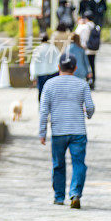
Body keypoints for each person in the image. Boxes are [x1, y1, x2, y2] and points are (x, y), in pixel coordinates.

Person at [39, 53, 94, 209]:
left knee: (58, 164)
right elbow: (90, 107)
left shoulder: (49, 84)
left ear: (58, 67)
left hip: (58, 131)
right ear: (75, 68)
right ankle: (75, 194)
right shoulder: (82, 84)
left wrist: (42, 133)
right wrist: (88, 115)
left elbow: (43, 111)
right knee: (78, 164)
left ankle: (58, 197)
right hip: (78, 131)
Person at [29, 34, 60, 100]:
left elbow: (33, 63)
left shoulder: (37, 49)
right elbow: (58, 60)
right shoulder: (54, 48)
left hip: (41, 74)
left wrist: (33, 76)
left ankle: (42, 108)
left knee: (42, 94)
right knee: (52, 93)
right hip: (53, 73)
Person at [74, 13, 98, 88]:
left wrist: (79, 24)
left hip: (85, 49)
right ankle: (93, 82)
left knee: (86, 65)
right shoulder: (95, 26)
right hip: (93, 49)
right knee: (92, 65)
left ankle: (87, 81)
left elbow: (76, 34)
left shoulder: (84, 26)